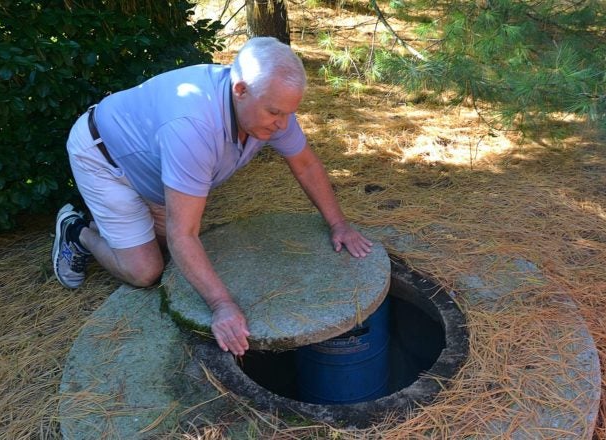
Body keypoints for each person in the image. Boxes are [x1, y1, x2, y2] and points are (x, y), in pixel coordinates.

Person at [52, 37, 373, 356]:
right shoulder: (193, 125)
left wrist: (339, 224)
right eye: (275, 112)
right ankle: (78, 232)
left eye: (290, 112)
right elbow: (184, 234)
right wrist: (222, 305)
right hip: (106, 159)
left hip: (153, 164)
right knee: (146, 271)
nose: (283, 124)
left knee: (167, 254)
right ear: (240, 90)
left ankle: (113, 227)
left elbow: (305, 165)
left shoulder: (269, 105)